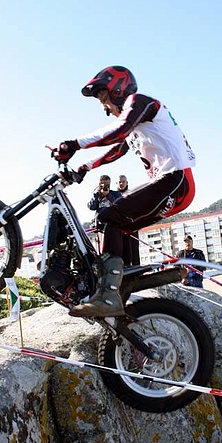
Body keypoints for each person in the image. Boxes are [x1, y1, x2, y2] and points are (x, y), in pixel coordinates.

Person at [54, 65, 196, 317]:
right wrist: (83, 168)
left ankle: (109, 295)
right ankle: (125, 283)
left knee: (109, 216)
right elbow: (117, 148)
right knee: (118, 225)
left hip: (175, 180)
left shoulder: (140, 102)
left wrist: (75, 144)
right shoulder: (135, 122)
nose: (104, 108)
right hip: (173, 183)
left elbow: (117, 131)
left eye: (103, 98)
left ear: (118, 88)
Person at [116, 174, 140, 267]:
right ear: (117, 183)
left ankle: (136, 268)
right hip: (119, 228)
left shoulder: (132, 193)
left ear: (127, 183)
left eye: (123, 181)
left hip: (132, 225)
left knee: (134, 249)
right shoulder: (113, 195)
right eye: (119, 182)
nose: (121, 183)